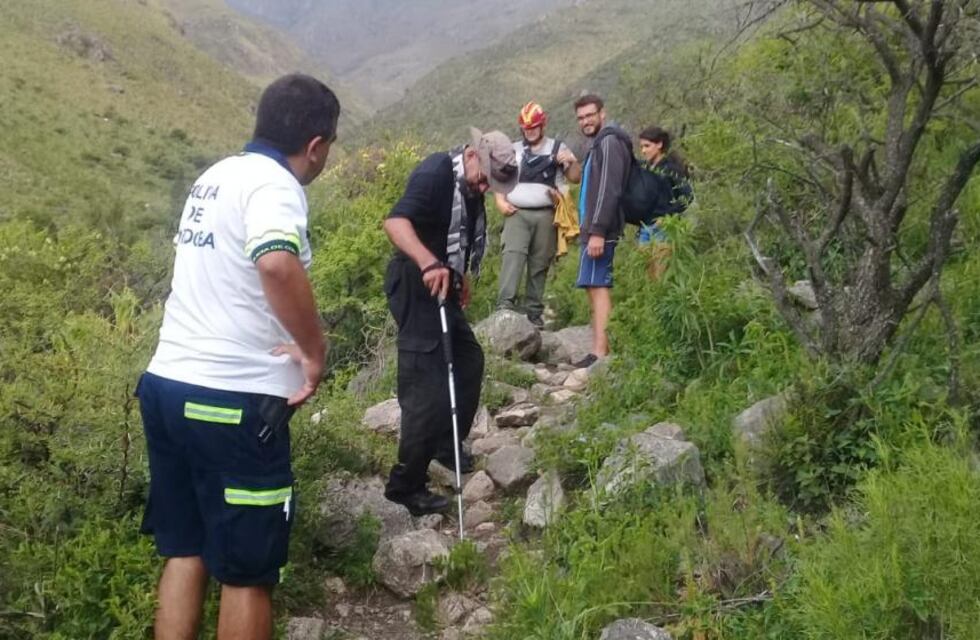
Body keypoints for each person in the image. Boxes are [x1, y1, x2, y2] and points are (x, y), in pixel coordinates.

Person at [135, 74, 339, 640]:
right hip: (229, 401)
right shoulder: (276, 185)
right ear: (316, 145)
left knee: (186, 549)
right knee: (247, 573)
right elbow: (275, 261)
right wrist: (313, 352)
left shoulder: (215, 176)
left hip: (166, 385)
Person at [382, 128, 518, 515]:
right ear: (473, 154)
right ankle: (405, 486)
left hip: (443, 285)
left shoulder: (469, 186)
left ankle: (445, 444)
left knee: (469, 360)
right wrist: (429, 263)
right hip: (415, 282)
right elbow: (396, 224)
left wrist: (461, 277)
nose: (485, 186)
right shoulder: (436, 173)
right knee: (425, 385)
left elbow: (456, 239)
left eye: (492, 183)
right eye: (485, 177)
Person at [495, 101, 581, 327]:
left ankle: (534, 314)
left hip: (546, 214)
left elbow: (574, 177)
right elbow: (499, 179)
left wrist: (570, 162)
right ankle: (505, 309)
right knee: (512, 257)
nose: (529, 131)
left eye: (533, 127)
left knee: (540, 263)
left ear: (543, 125)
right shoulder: (513, 150)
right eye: (526, 128)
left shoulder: (558, 148)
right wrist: (500, 202)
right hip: (517, 213)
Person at [572, 94, 633, 368]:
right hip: (593, 229)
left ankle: (600, 354)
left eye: (589, 115)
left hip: (601, 230)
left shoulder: (609, 142)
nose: (585, 121)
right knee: (592, 286)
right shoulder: (599, 143)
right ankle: (599, 348)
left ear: (602, 113)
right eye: (581, 117)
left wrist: (597, 230)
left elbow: (610, 188)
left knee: (599, 287)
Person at [637, 126, 693, 244]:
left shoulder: (671, 169)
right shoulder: (647, 168)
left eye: (647, 146)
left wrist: (668, 216)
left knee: (660, 262)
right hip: (645, 228)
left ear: (659, 145)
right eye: (641, 147)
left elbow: (687, 196)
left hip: (663, 229)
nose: (643, 151)